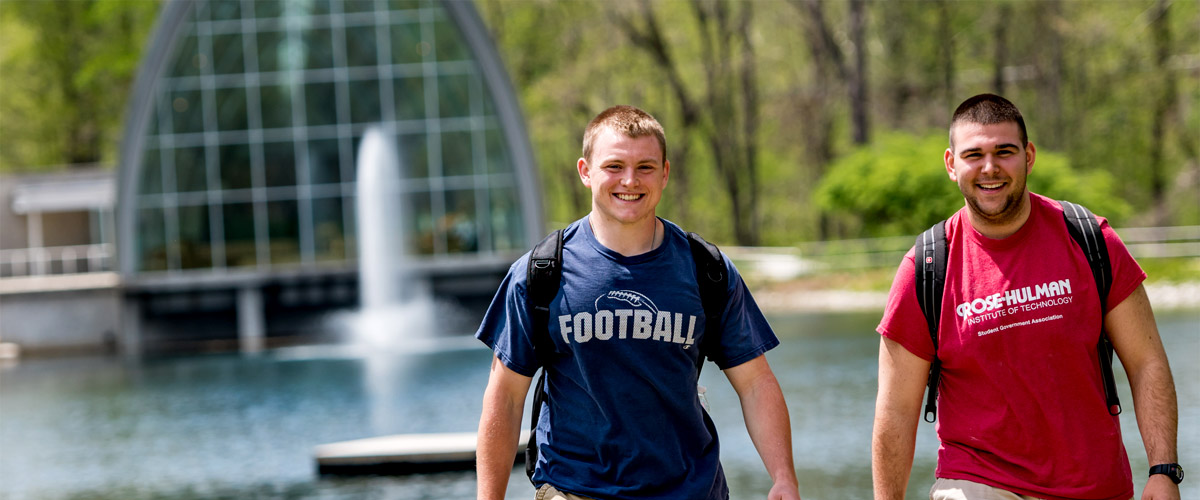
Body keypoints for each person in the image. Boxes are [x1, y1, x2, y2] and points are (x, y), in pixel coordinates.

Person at [475, 105, 801, 500]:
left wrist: (783, 476)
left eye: (645, 167)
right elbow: (506, 397)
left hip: (691, 491)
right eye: (614, 166)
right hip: (577, 490)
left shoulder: (707, 269)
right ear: (585, 171)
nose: (630, 180)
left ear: (665, 174)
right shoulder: (540, 273)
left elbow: (755, 383)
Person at [872, 93, 1181, 500]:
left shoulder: (1091, 241)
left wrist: (1163, 470)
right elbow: (896, 412)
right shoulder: (927, 268)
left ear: (1029, 156)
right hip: (977, 481)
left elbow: (1146, 363)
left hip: (1095, 487)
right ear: (951, 164)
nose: (989, 167)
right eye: (973, 155)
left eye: (1004, 151)